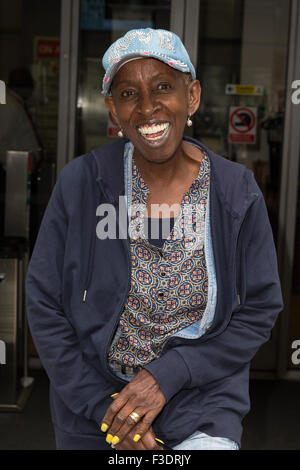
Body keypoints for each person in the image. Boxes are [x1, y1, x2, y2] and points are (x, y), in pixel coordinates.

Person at [25, 28, 283, 451]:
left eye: (163, 87)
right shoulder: (82, 183)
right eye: (128, 94)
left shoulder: (236, 192)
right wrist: (107, 411)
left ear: (193, 96)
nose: (147, 108)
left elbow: (260, 308)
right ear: (113, 109)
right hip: (94, 405)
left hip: (200, 398)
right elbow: (43, 302)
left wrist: (172, 372)